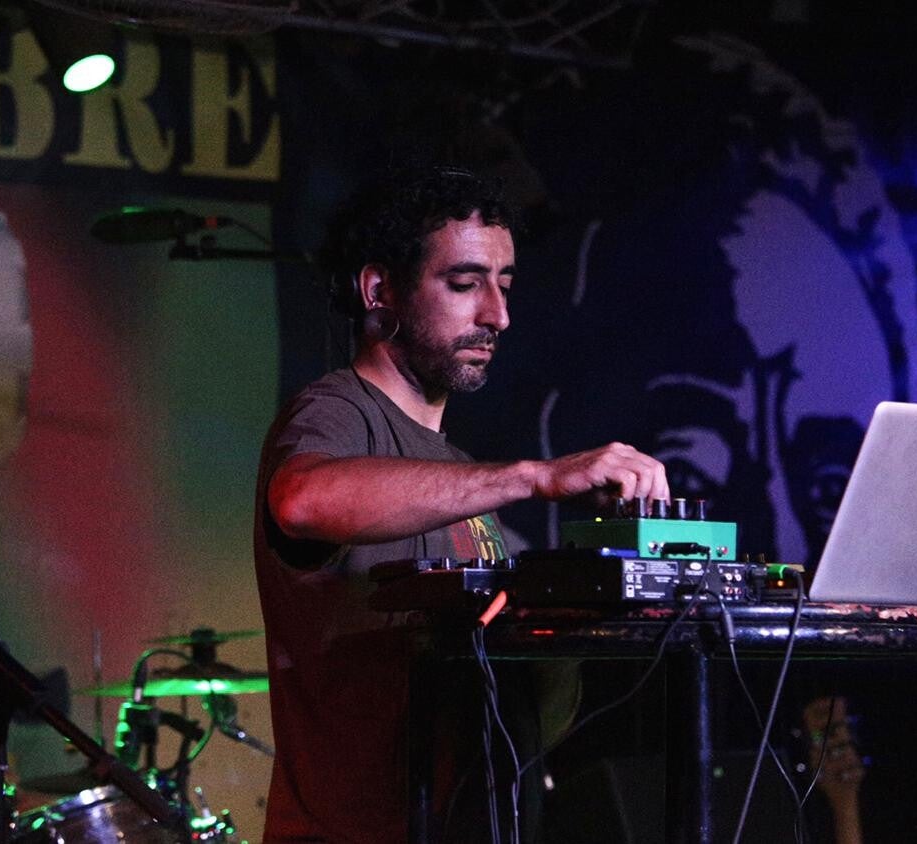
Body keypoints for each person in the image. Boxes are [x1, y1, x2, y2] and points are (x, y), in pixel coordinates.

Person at [252, 165, 668, 843]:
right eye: (465, 283)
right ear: (380, 289)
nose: (497, 316)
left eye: (504, 285)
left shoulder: (458, 471)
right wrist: (535, 476)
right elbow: (302, 499)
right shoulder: (336, 410)